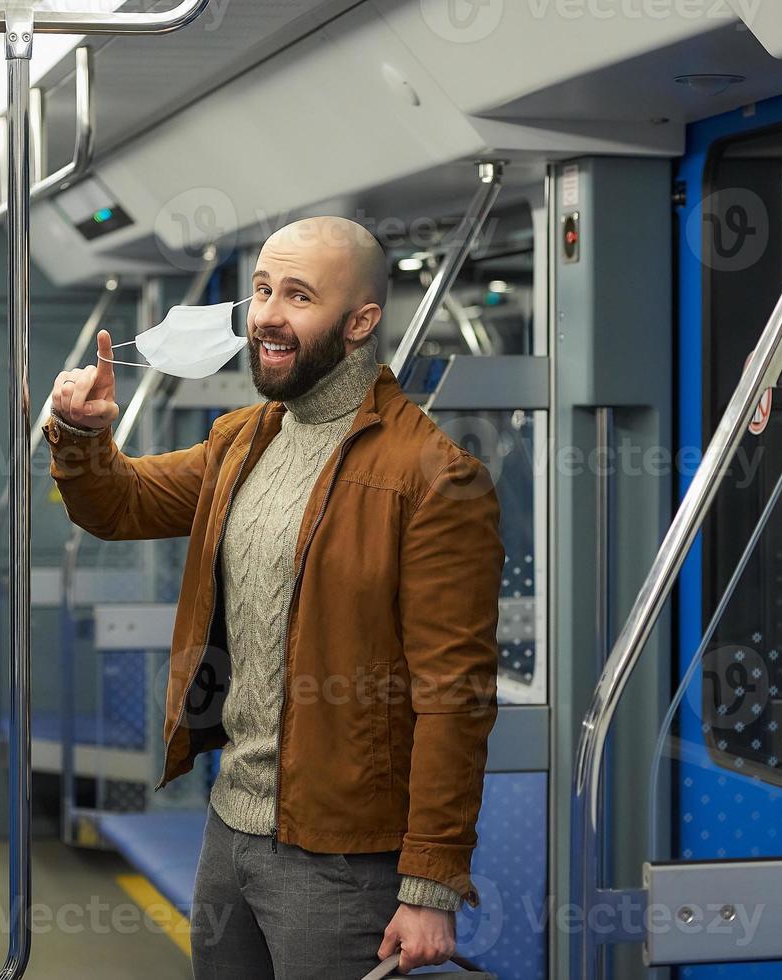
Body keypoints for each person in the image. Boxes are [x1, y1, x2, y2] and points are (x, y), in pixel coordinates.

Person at [45, 216, 503, 979]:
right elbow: (120, 506)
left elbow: (455, 696)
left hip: (344, 857)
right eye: (261, 290)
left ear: (360, 322)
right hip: (230, 827)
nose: (267, 315)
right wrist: (81, 436)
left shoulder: (433, 477)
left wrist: (430, 883)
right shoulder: (243, 439)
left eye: (298, 295)